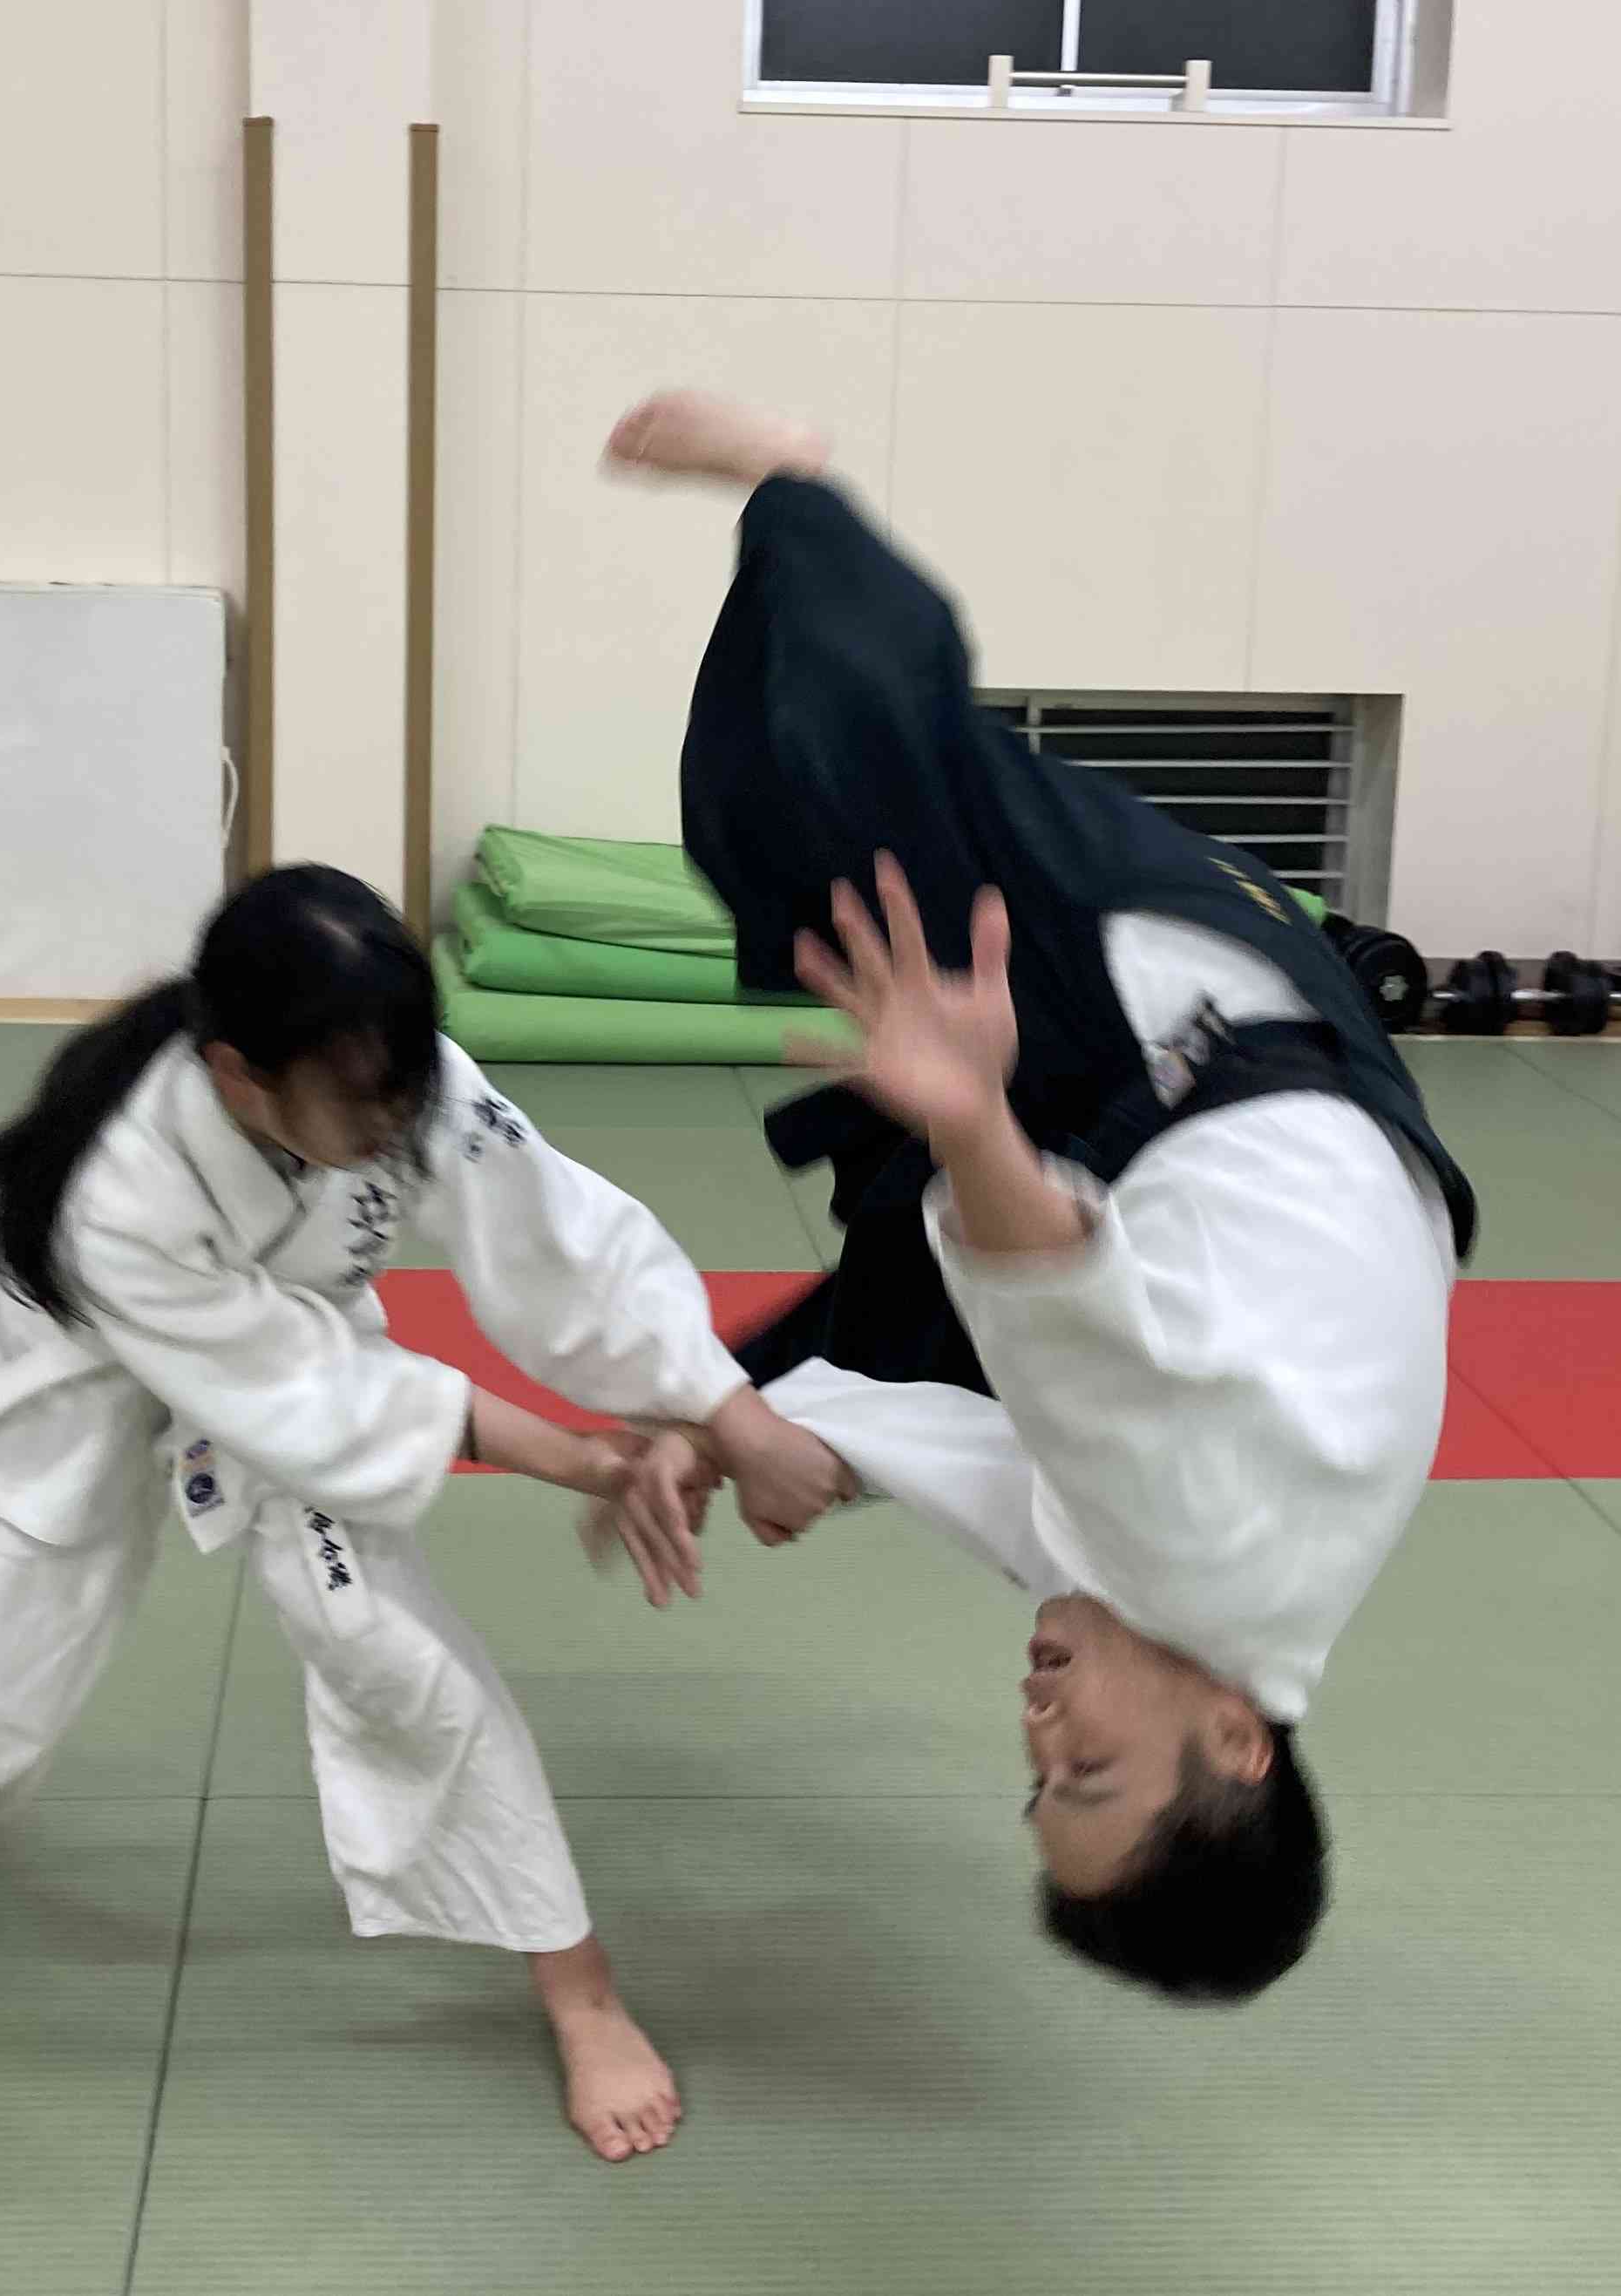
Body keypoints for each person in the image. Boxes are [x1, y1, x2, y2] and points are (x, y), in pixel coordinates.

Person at [0, 862, 842, 2160]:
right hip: (61, 1365)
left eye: (410, 1090)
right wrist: (593, 1464)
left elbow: (563, 1241)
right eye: (365, 1108)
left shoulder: (387, 1069)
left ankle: (579, 1989)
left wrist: (728, 1414)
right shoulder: (115, 1195)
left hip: (288, 1336)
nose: (397, 1124)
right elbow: (318, 1397)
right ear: (237, 1074)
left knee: (393, 1648)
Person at [597, 391, 1477, 2001]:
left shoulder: (1208, 1598)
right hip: (1187, 1026)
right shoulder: (1195, 1541)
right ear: (1236, 1741)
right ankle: (800, 483)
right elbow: (1053, 1282)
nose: (1038, 1730)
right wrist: (970, 1119)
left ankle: (742, 1362)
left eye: (1037, 1783)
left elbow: (979, 1444)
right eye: (1087, 1771)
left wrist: (724, 1423)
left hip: (1262, 1113)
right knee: (834, 815)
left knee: (879, 1313)